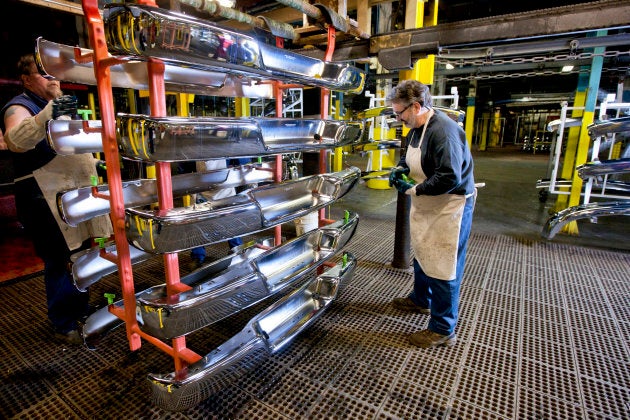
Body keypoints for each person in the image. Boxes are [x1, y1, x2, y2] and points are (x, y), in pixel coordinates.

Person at [1, 53, 112, 345]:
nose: (52, 77)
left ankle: (81, 310)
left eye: (54, 72)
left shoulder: (61, 108)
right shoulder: (19, 106)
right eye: (42, 72)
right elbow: (16, 140)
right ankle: (63, 324)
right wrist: (47, 113)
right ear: (26, 79)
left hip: (75, 195)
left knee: (81, 256)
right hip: (46, 199)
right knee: (60, 259)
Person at [388, 80, 476, 349]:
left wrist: (414, 189)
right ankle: (420, 299)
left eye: (399, 113)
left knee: (443, 264)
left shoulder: (444, 131)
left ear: (416, 106)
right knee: (424, 251)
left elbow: (450, 176)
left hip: (450, 204)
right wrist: (400, 168)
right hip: (428, 202)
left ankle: (443, 328)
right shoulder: (416, 127)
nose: (398, 118)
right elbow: (410, 157)